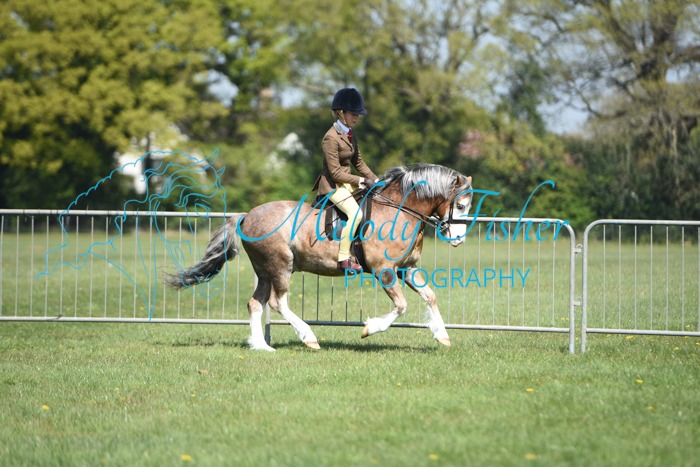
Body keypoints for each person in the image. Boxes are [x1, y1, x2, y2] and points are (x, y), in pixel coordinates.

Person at [312, 88, 378, 272]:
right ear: (341, 112)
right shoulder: (330, 138)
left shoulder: (350, 133)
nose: (357, 117)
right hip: (333, 186)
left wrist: (377, 179)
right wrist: (362, 181)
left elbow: (359, 162)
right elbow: (335, 173)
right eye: (353, 113)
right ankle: (343, 258)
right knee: (356, 214)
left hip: (347, 184)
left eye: (358, 114)